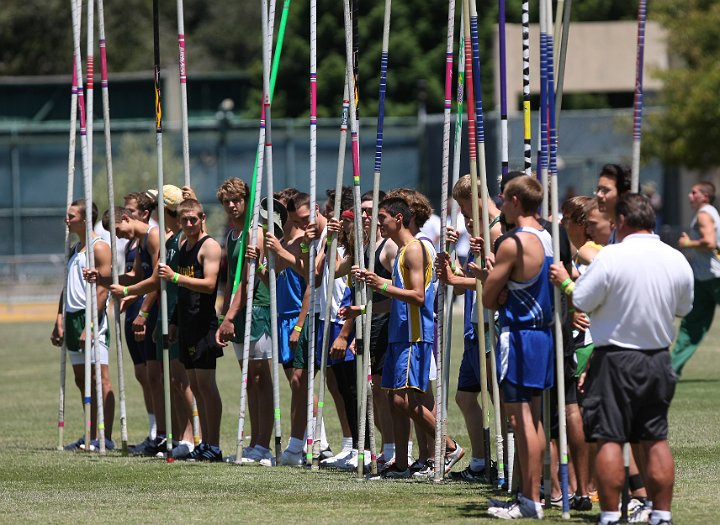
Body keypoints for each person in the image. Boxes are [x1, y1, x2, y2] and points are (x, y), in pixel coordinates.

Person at [563, 193, 693, 525]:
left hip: (615, 357)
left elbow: (581, 297)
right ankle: (661, 513)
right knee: (655, 438)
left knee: (610, 437)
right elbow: (683, 307)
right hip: (657, 359)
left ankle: (608, 514)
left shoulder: (611, 257)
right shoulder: (676, 258)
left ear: (621, 222)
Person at [350, 196, 463, 479]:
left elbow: (418, 296)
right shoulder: (401, 251)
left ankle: (448, 447)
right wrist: (362, 308)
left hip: (414, 334)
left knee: (404, 400)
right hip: (398, 335)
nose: (378, 224)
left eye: (383, 218)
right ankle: (401, 463)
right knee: (392, 400)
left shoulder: (414, 249)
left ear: (398, 218)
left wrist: (380, 284)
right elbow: (395, 300)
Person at [483, 176, 554, 519]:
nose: (499, 204)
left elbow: (487, 297)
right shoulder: (548, 236)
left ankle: (529, 500)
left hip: (519, 334)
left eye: (503, 199)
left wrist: (493, 281)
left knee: (520, 418)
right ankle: (532, 494)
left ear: (514, 200)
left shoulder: (513, 243)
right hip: (543, 335)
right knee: (534, 418)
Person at [436, 174, 502, 482]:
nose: (463, 217)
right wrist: (453, 267)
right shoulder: (478, 231)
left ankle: (506, 462)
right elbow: (468, 282)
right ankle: (479, 463)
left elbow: (491, 281)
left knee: (497, 398)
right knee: (464, 397)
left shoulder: (498, 230)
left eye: (464, 209)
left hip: (490, 326)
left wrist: (457, 279)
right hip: (473, 326)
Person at [161, 199, 224, 462]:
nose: (189, 224)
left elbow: (209, 284)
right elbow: (184, 291)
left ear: (202, 218)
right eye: (184, 219)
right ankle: (204, 442)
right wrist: (174, 322)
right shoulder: (182, 245)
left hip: (203, 324)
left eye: (193, 219)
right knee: (195, 386)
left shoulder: (208, 246)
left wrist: (174, 276)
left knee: (207, 385)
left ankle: (215, 444)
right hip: (186, 323)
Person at [51, 199, 115, 451]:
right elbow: (67, 287)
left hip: (91, 317)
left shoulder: (99, 247)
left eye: (71, 216)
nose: (67, 220)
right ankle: (89, 434)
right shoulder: (74, 248)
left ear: (85, 219)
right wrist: (58, 318)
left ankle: (105, 436)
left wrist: (91, 323)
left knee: (100, 377)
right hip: (71, 316)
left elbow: (102, 289)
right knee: (81, 379)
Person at [671, 181, 720, 375]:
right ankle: (671, 369)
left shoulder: (703, 214)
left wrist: (687, 242)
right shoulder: (709, 213)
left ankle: (671, 369)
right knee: (692, 324)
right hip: (704, 279)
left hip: (713, 277)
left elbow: (709, 242)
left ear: (705, 197)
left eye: (694, 193)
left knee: (692, 325)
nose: (690, 196)